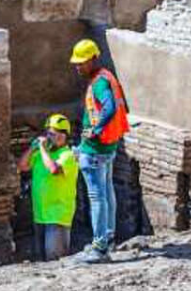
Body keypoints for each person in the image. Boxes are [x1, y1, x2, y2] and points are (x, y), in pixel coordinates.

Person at [70, 39, 130, 264]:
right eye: (76, 63)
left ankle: (100, 247)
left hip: (96, 150)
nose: (78, 67)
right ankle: (108, 237)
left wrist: (95, 130)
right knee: (106, 193)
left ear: (94, 59)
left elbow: (110, 107)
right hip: (108, 147)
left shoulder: (99, 83)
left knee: (97, 198)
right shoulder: (106, 76)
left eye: (82, 62)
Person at [16, 114, 79, 260]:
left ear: (63, 136)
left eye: (53, 134)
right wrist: (33, 149)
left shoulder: (68, 155)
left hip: (57, 216)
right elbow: (22, 166)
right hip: (40, 215)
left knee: (55, 260)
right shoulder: (40, 155)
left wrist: (43, 150)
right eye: (48, 134)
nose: (50, 137)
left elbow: (54, 170)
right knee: (41, 260)